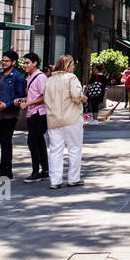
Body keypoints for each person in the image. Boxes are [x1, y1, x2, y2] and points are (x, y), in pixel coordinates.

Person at [44, 55, 88, 189]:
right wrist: (83, 98)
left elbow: (45, 98)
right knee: (74, 148)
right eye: (72, 64)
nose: (74, 67)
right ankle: (73, 178)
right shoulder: (71, 78)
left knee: (55, 150)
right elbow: (76, 95)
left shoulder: (49, 80)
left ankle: (55, 180)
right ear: (68, 66)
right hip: (71, 117)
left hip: (53, 119)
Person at [0, 50, 26, 181]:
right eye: (2, 60)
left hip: (10, 114)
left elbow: (21, 97)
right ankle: (3, 169)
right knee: (3, 142)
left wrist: (7, 105)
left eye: (6, 61)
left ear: (13, 62)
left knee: (6, 142)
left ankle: (6, 170)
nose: (3, 63)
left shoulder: (17, 77)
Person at [17, 53, 50, 183]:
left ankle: (35, 171)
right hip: (32, 113)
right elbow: (32, 96)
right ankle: (45, 170)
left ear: (35, 63)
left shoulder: (40, 77)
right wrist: (21, 100)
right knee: (39, 142)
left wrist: (28, 103)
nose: (25, 65)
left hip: (39, 114)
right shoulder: (29, 77)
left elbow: (44, 96)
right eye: (24, 63)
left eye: (27, 63)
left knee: (32, 142)